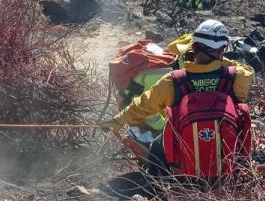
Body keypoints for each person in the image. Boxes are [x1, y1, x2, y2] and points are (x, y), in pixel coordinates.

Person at [106, 19, 255, 179]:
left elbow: (143, 106)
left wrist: (116, 120)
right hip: (227, 167)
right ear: (221, 50)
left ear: (193, 47)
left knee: (157, 147)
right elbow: (248, 71)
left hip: (183, 168)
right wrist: (221, 59)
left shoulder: (174, 80)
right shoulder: (236, 77)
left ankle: (161, 190)